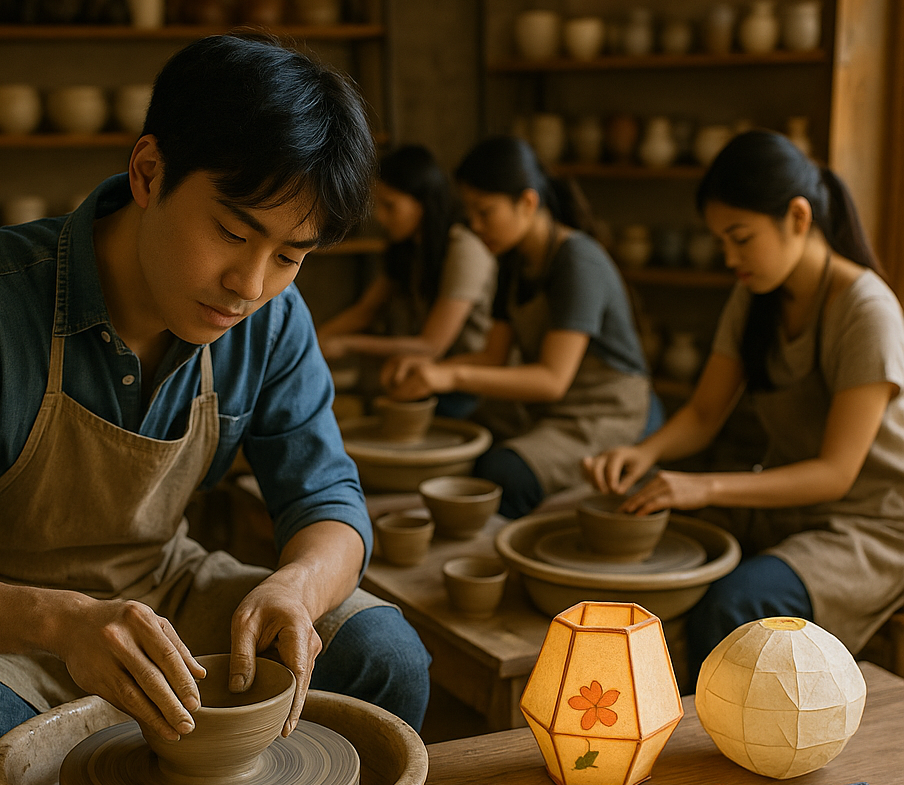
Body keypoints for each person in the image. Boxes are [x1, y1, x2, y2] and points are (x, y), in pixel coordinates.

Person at [0, 34, 431, 785]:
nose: (250, 286)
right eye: (233, 233)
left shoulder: (272, 320)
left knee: (385, 651)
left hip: (160, 593)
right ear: (147, 173)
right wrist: (61, 622)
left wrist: (299, 588)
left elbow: (329, 502)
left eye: (290, 255)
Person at [584, 129, 904, 675]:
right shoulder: (755, 292)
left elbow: (836, 474)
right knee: (647, 546)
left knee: (734, 603)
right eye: (721, 242)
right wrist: (644, 452)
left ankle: (706, 727)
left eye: (741, 238)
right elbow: (704, 413)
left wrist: (705, 486)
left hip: (869, 526)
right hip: (789, 505)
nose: (730, 257)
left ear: (798, 217)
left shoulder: (866, 311)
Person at [382, 136, 651, 518]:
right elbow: (494, 355)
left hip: (603, 411)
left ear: (527, 202)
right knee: (451, 434)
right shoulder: (512, 259)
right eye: (470, 212)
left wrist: (450, 375)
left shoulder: (577, 262)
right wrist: (429, 369)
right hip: (547, 407)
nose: (475, 225)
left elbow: (552, 380)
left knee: (504, 472)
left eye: (485, 212)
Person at [316, 144, 497, 418]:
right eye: (379, 206)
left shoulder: (463, 248)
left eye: (390, 206)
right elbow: (365, 310)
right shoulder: (406, 249)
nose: (380, 217)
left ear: (422, 203)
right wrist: (315, 340)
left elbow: (431, 345)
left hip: (469, 378)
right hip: (425, 371)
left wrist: (346, 344)